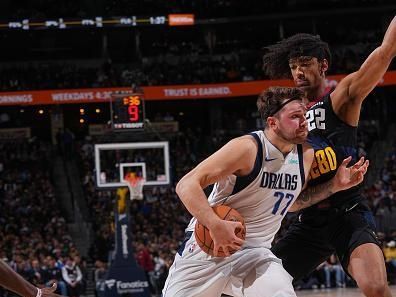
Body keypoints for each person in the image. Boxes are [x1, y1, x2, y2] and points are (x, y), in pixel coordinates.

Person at [162, 86, 369, 297]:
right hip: (208, 250)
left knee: (280, 292)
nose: (304, 121)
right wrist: (214, 224)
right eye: (295, 116)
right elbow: (186, 185)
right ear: (273, 123)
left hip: (255, 253)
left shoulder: (306, 155)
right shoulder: (247, 148)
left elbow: (293, 204)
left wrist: (334, 185)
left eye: (304, 115)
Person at [263, 16, 396, 297]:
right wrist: (331, 185)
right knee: (253, 288)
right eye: (293, 66)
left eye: (305, 64)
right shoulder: (285, 124)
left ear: (323, 65)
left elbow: (386, 51)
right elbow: (293, 203)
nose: (298, 71)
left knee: (376, 287)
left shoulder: (340, 99)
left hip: (348, 214)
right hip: (308, 223)